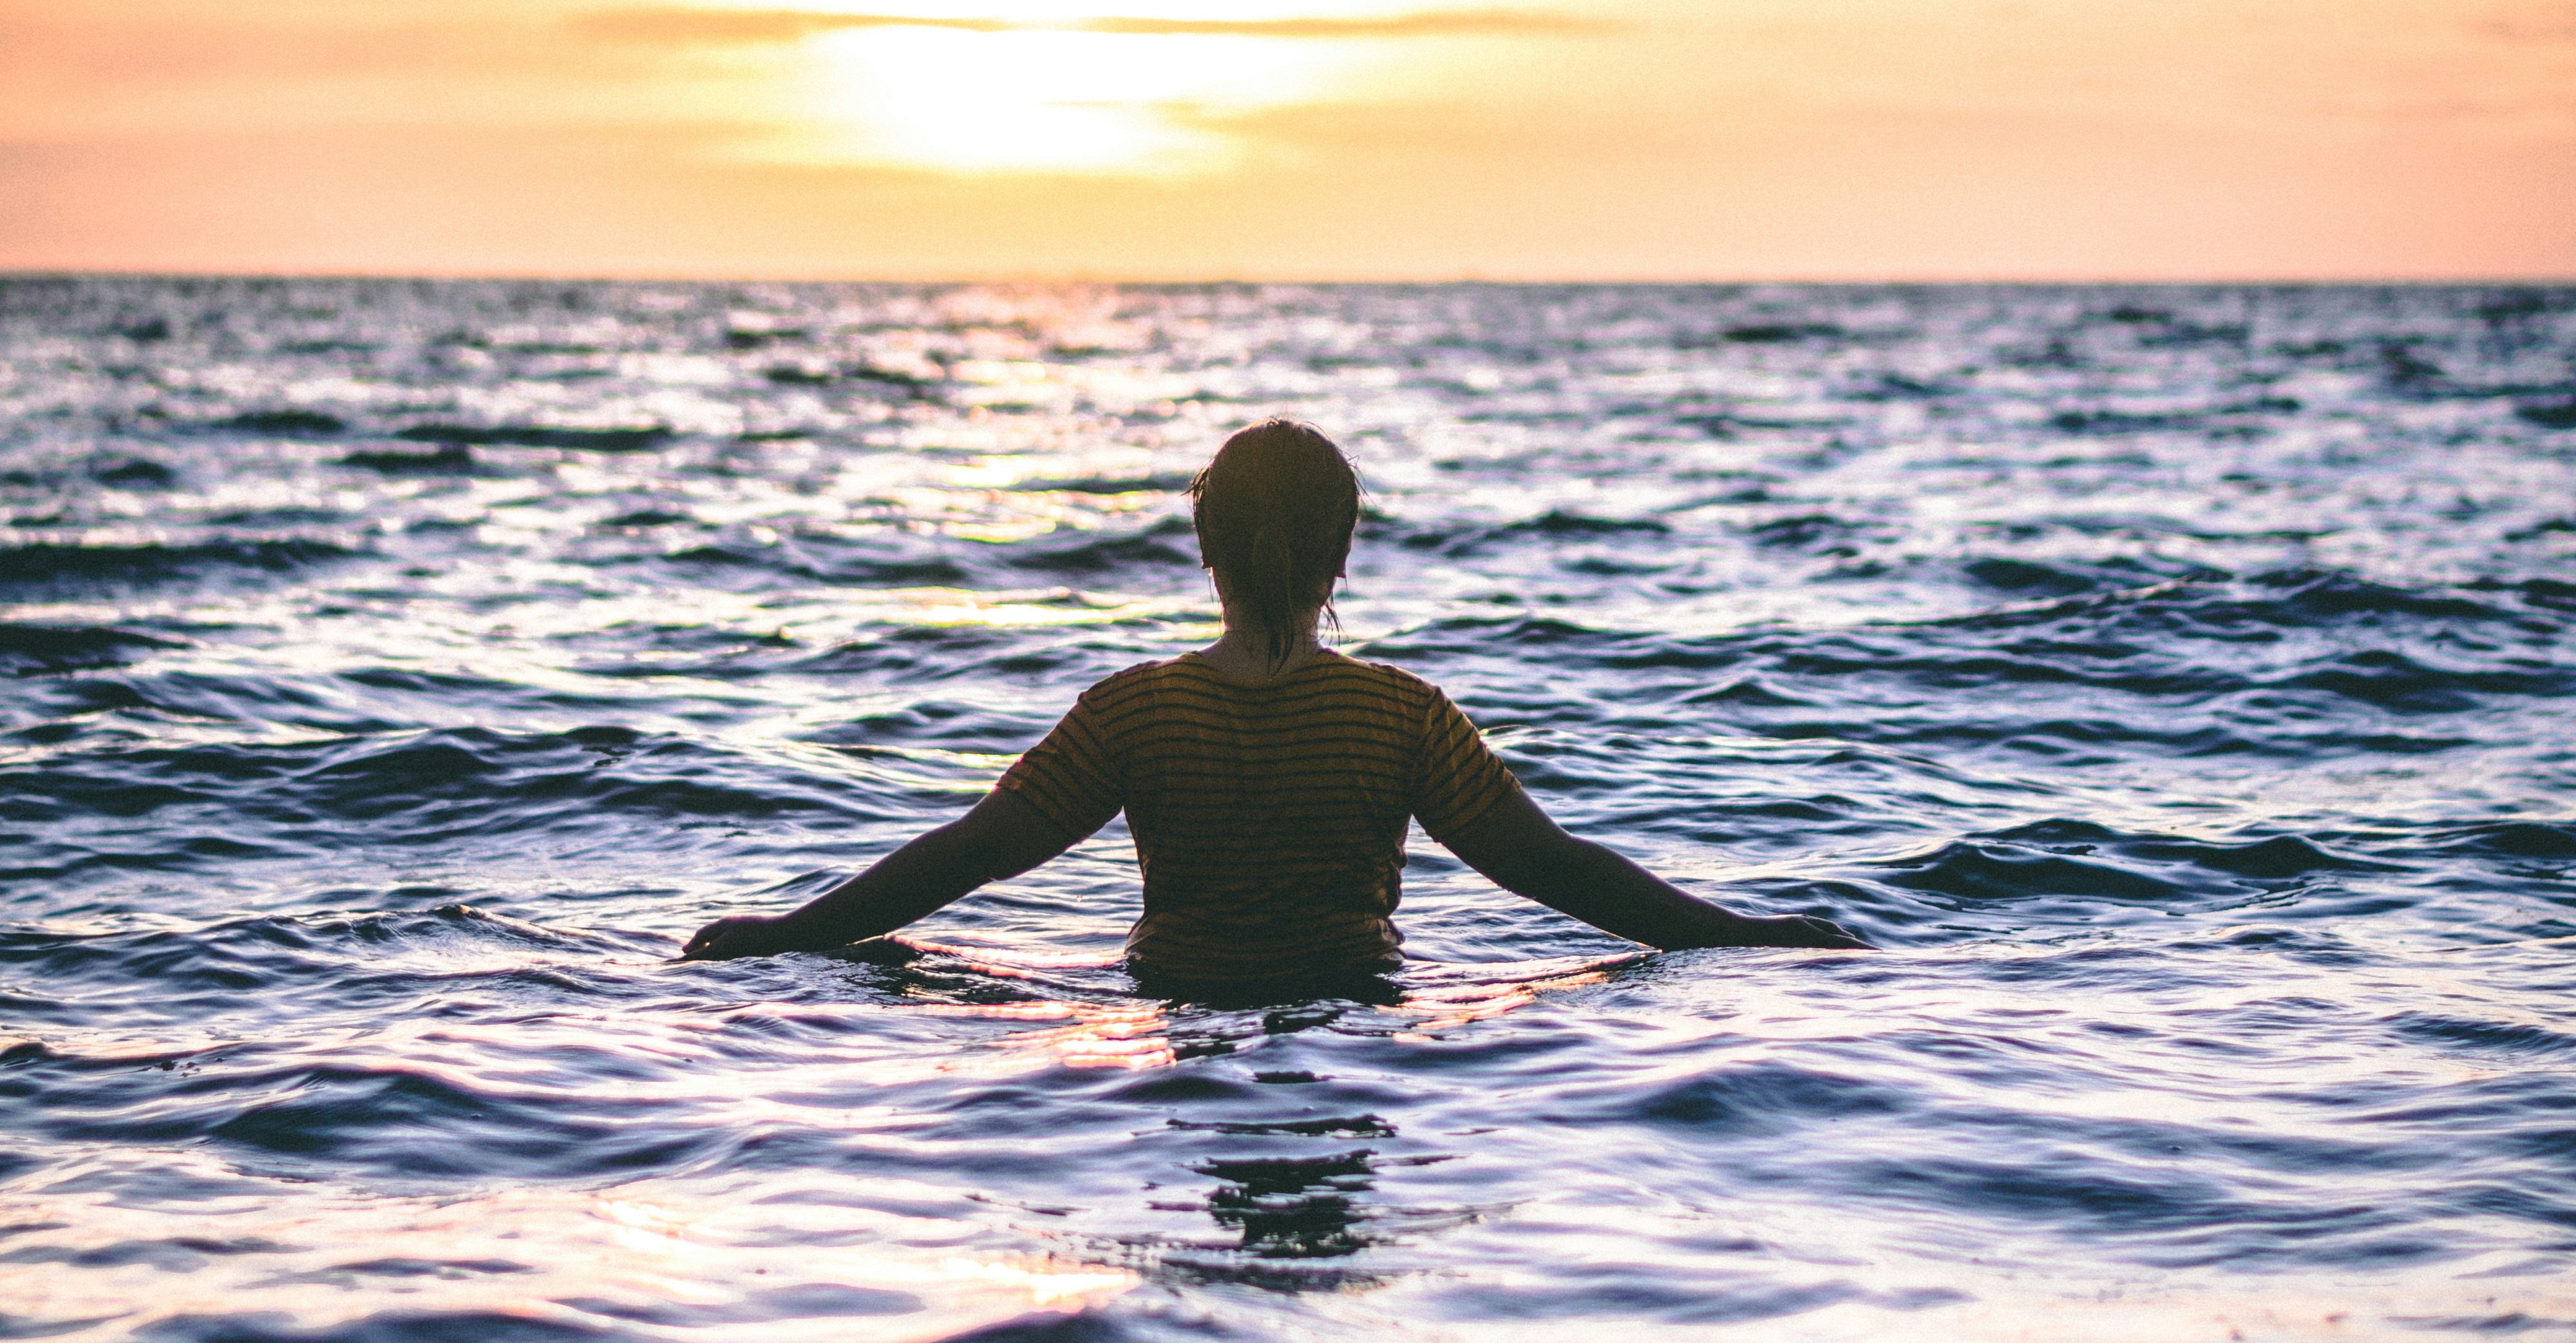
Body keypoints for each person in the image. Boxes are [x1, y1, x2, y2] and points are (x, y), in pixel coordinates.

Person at [683, 418, 1854, 979]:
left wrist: (789, 936)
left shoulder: (1132, 713)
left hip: (1175, 1001)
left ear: (1205, 553)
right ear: (1344, 558)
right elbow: (1557, 871)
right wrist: (1745, 936)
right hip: (1356, 1005)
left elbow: (969, 856)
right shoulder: (1403, 715)